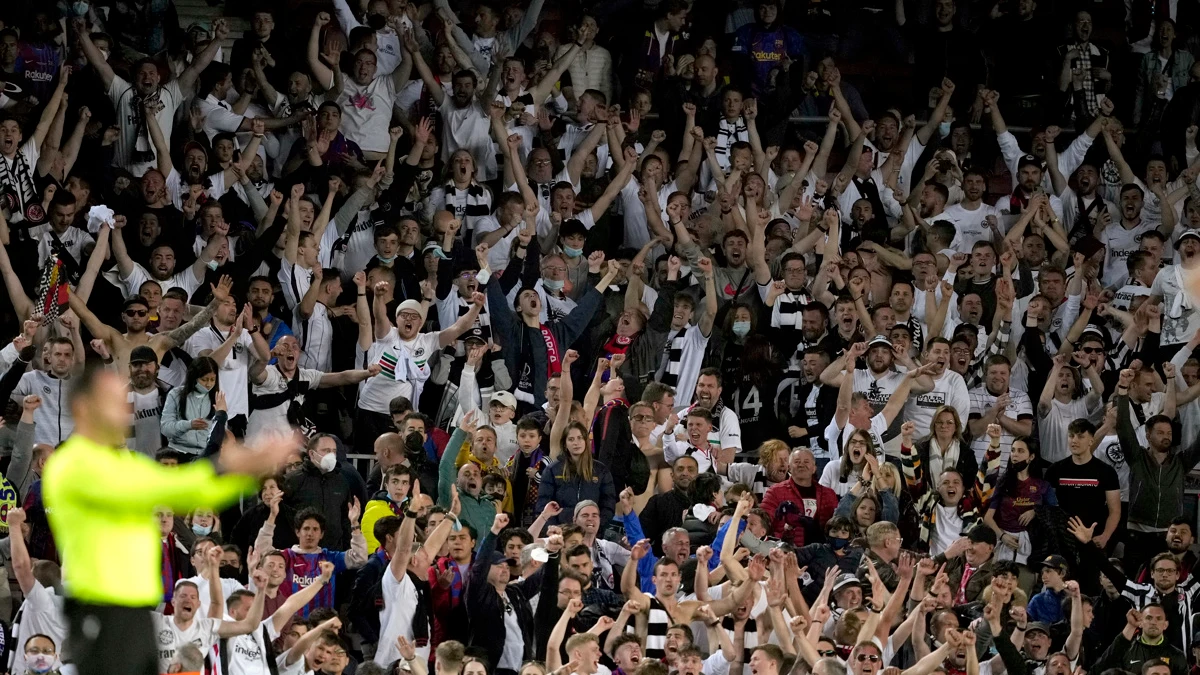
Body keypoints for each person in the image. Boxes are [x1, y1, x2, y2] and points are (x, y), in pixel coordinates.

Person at [42, 362, 296, 675]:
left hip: (134, 612)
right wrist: (233, 465)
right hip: (100, 609)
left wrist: (247, 467)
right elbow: (169, 488)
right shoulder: (72, 464)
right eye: (111, 400)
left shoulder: (122, 463)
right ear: (83, 408)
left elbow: (189, 492)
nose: (122, 409)